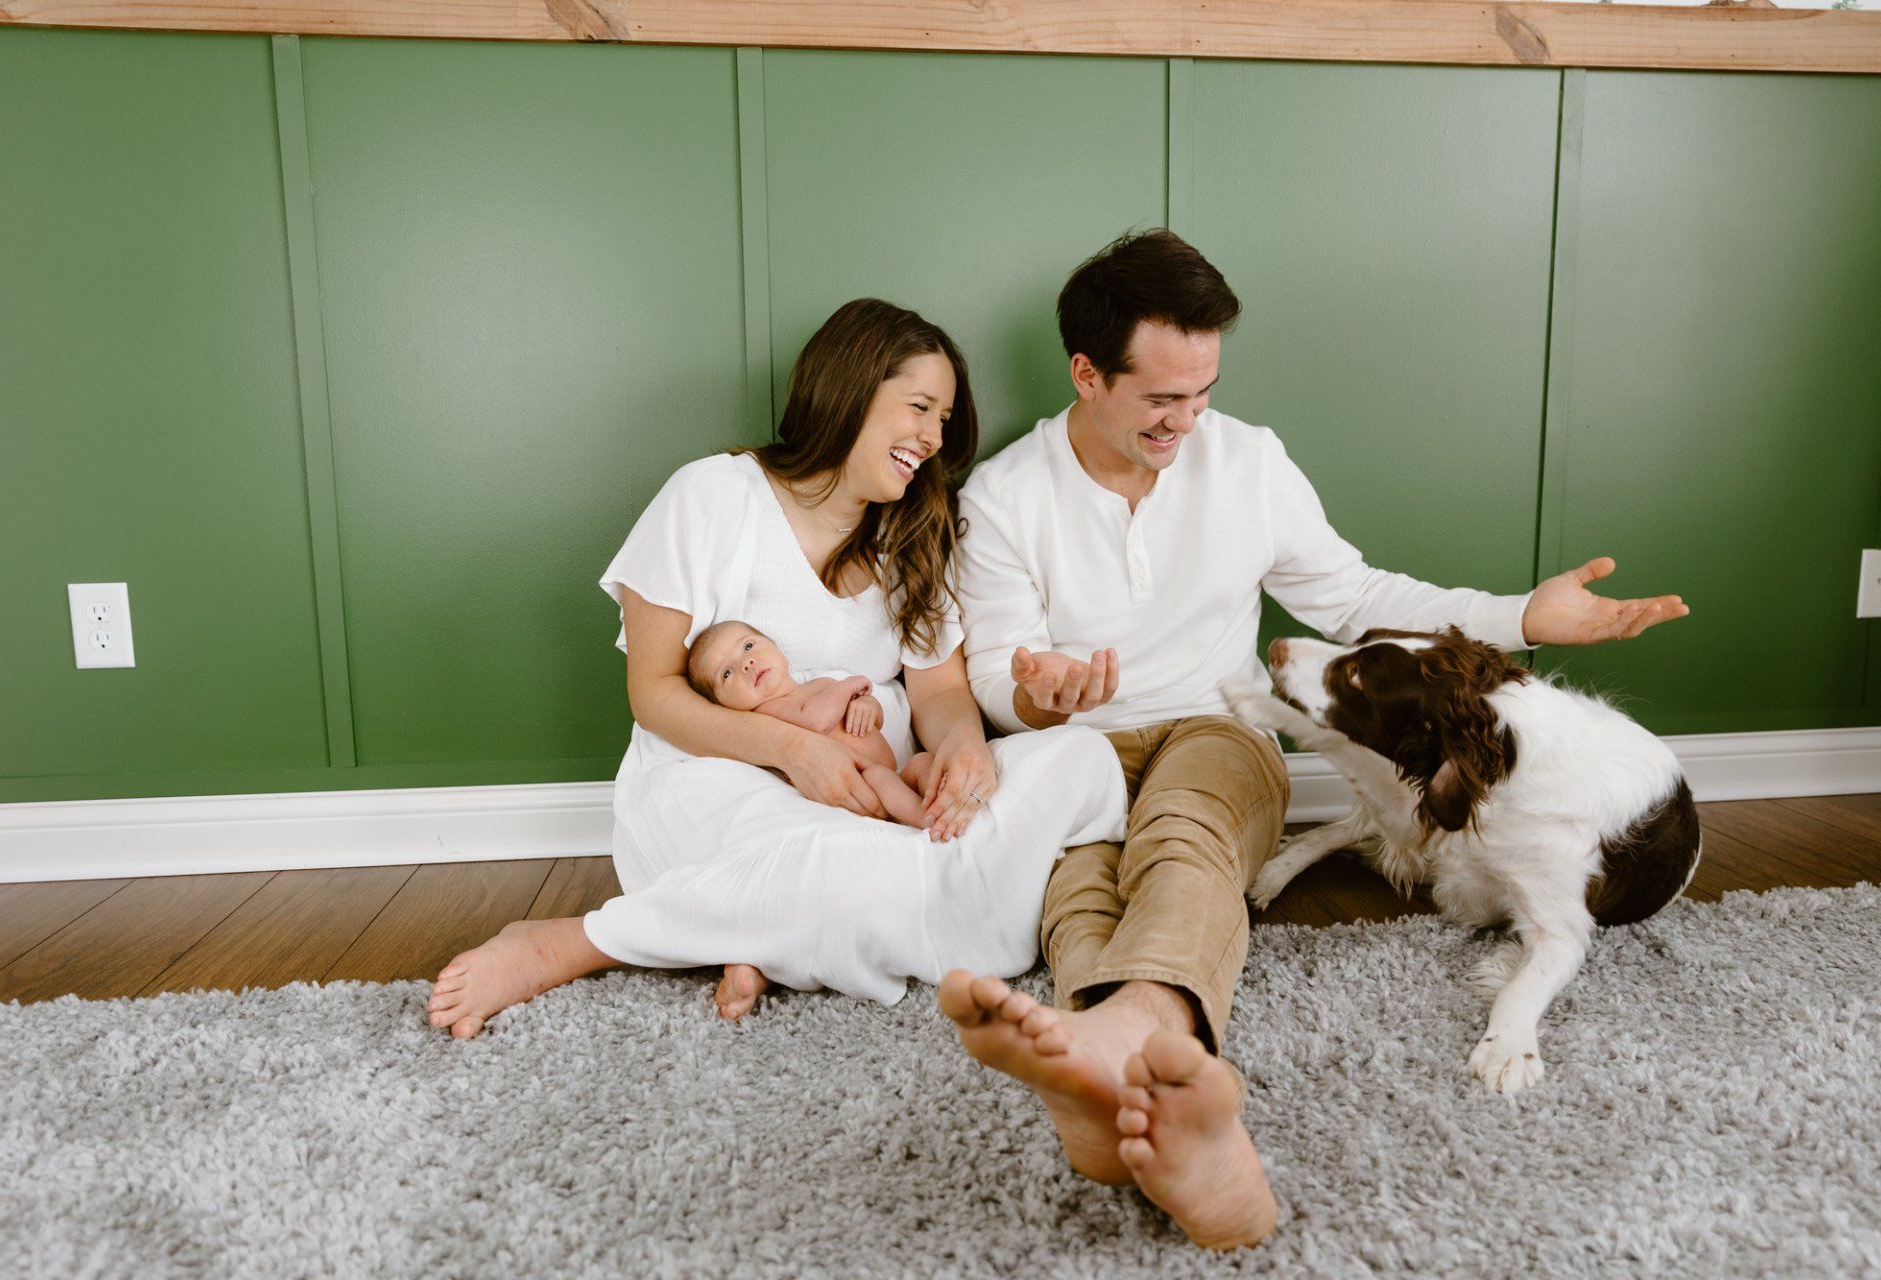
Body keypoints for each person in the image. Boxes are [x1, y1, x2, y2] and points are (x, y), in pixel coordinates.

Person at [937, 230, 1689, 1250]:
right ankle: (1122, 1063)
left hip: (1219, 722)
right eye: (1163, 398)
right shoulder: (1002, 498)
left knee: (1188, 833)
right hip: (1071, 746)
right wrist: (1040, 692)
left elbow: (1357, 596)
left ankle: (1116, 1034)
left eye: (1204, 391)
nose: (1189, 419)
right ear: (1087, 373)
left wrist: (1524, 615)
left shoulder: (1248, 462)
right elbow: (993, 672)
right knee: (1082, 869)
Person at [426, 298, 1127, 1031]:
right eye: (920, 407)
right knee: (858, 874)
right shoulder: (713, 497)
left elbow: (940, 690)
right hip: (724, 788)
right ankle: (575, 943)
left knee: (1085, 761)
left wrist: (964, 752)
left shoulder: (911, 533)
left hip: (884, 807)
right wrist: (796, 752)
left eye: (944, 420)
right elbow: (655, 692)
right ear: (850, 388)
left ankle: (754, 929)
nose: (932, 436)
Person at [686, 619, 934, 829]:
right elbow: (816, 721)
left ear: (777, 648)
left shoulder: (822, 685)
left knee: (923, 762)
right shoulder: (767, 714)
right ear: (721, 704)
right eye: (726, 673)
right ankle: (930, 823)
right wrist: (850, 685)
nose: (746, 663)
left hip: (895, 774)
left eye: (748, 646)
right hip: (862, 786)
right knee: (880, 777)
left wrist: (867, 706)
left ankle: (947, 807)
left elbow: (875, 722)